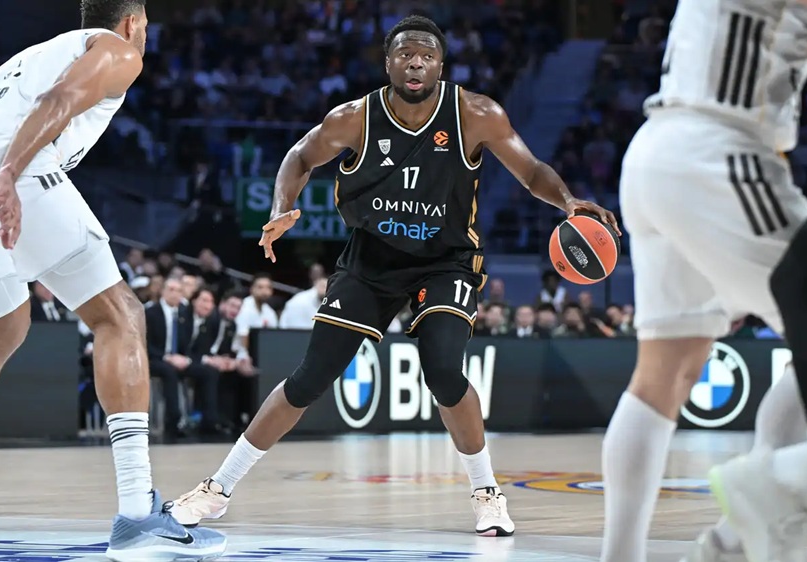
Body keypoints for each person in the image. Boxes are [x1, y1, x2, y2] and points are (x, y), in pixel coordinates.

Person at [170, 15, 618, 536]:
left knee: (444, 371)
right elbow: (299, 156)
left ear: (441, 66)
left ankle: (487, 492)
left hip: (446, 258)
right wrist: (281, 207)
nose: (416, 63)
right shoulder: (353, 118)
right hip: (372, 258)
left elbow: (532, 170)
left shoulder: (476, 113)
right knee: (311, 376)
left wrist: (568, 201)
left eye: (427, 56)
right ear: (388, 63)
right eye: (406, 54)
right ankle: (218, 489)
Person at [0, 1, 226, 559]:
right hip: (10, 173)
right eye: (147, 26)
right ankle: (139, 515)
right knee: (120, 316)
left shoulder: (31, 56)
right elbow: (60, 101)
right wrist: (10, 174)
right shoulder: (117, 49)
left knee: (3, 328)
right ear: (133, 22)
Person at [598, 1, 807, 561]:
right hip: (720, 153)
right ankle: (766, 500)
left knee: (664, 375)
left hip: (657, 150)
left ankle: (623, 555)